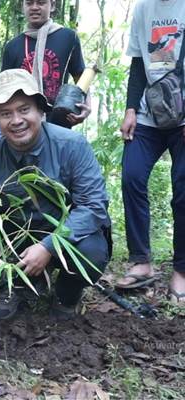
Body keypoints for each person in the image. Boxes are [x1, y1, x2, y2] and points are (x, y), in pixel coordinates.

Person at [0, 69, 111, 324]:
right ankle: (13, 283)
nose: (16, 120)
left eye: (24, 109)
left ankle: (66, 293)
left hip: (62, 233)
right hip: (16, 235)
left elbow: (94, 207)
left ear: (40, 110)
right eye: (6, 113)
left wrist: (50, 246)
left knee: (92, 250)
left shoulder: (71, 146)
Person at [116, 0, 185, 303]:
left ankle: (181, 270)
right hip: (149, 114)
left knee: (183, 189)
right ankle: (141, 261)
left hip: (182, 115)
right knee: (131, 175)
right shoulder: (144, 9)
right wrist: (131, 109)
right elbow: (137, 64)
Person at [1, 0, 91, 127]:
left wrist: (86, 106)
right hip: (22, 126)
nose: (34, 7)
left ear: (52, 6)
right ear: (23, 6)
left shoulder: (68, 37)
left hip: (59, 123)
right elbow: (4, 91)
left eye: (41, 3)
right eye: (29, 3)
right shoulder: (13, 46)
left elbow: (80, 76)